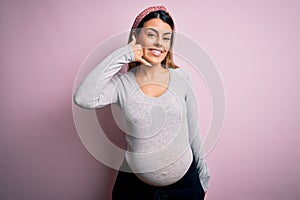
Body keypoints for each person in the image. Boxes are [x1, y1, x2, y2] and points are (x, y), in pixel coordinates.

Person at [73, 5, 210, 200]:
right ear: (136, 38)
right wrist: (125, 54)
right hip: (135, 190)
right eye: (151, 35)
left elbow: (193, 132)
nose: (159, 44)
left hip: (185, 187)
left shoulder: (182, 77)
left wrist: (203, 176)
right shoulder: (122, 84)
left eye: (166, 37)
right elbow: (83, 98)